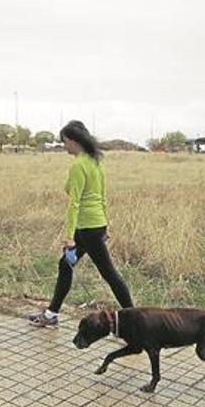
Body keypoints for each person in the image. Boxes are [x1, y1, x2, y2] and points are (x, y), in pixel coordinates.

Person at [27, 120, 134, 327]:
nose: (64, 145)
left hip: (86, 228)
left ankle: (135, 319)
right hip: (96, 225)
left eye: (65, 141)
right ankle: (51, 314)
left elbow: (74, 203)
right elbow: (101, 196)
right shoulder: (95, 162)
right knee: (66, 265)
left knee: (109, 273)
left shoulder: (78, 165)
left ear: (74, 141)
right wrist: (105, 225)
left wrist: (68, 238)